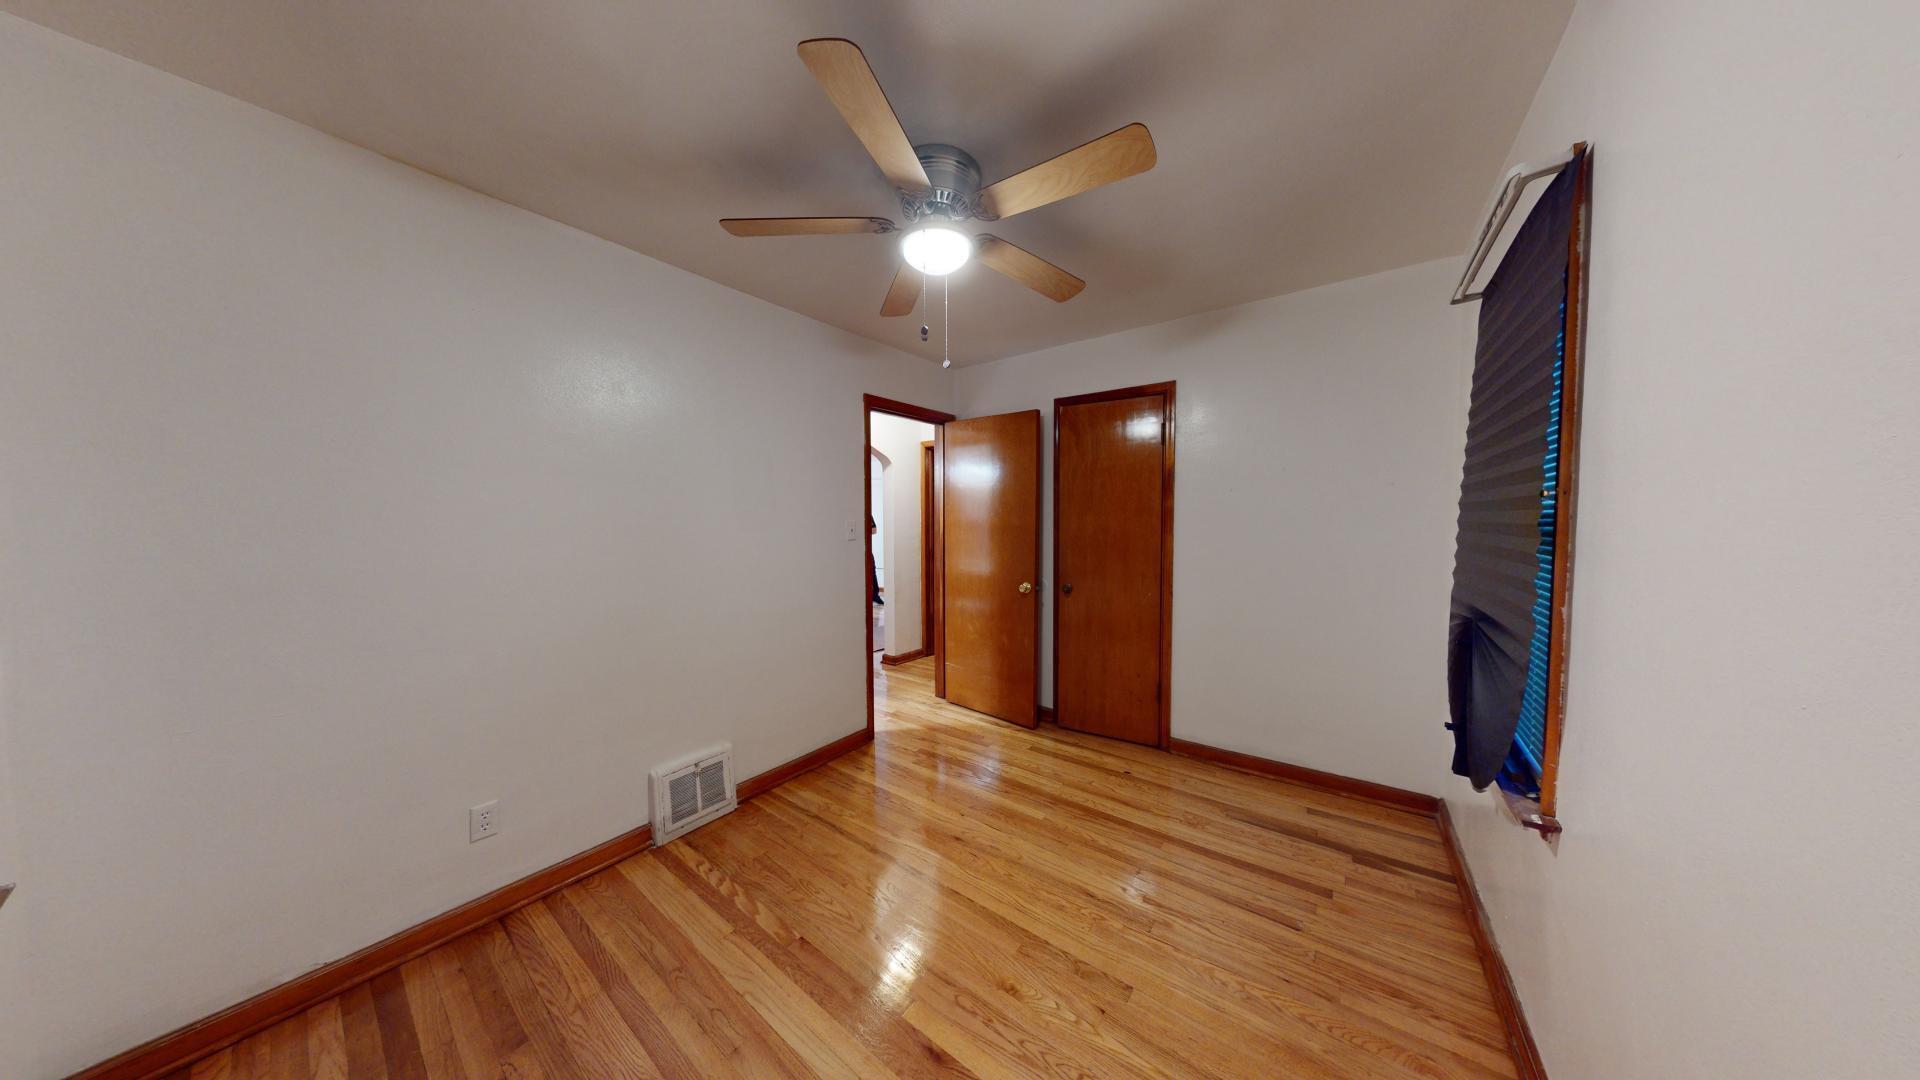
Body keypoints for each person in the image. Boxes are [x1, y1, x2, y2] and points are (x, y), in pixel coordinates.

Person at [868, 514, 883, 606]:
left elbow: (874, 529)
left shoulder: (868, 514)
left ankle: (875, 595)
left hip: (867, 549)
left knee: (872, 571)